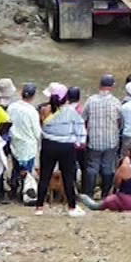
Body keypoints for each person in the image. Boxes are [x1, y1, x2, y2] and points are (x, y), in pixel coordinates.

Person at [36, 83, 86, 216]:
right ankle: (72, 207)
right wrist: (78, 142)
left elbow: (40, 128)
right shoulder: (70, 112)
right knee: (68, 177)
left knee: (44, 177)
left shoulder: (44, 110)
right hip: (66, 146)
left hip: (48, 145)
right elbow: (80, 130)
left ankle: (39, 207)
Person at [79, 145, 131, 212]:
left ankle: (85, 199)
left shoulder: (125, 167)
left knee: (102, 203)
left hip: (129, 202)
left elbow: (117, 185)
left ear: (129, 154)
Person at [82, 75, 123, 200]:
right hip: (111, 140)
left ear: (100, 86)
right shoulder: (116, 102)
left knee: (92, 167)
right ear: (111, 87)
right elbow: (120, 122)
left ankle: (88, 193)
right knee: (107, 166)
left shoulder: (91, 101)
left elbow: (83, 119)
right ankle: (105, 194)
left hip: (94, 140)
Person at [2, 80, 41, 200]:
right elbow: (37, 132)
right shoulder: (32, 111)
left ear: (21, 93)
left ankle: (13, 190)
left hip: (15, 143)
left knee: (16, 168)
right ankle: (24, 194)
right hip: (27, 146)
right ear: (33, 96)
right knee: (27, 173)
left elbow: (7, 122)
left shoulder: (12, 107)